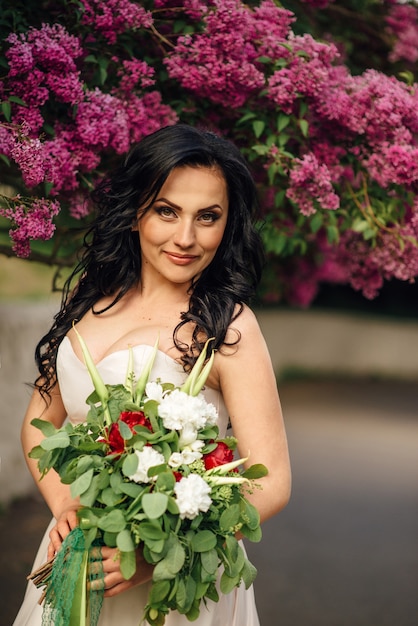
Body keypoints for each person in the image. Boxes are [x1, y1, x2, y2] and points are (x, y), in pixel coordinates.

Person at [14, 123, 291, 626]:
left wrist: (153, 556)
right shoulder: (89, 307)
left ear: (227, 226)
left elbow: (269, 482)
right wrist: (64, 502)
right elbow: (40, 420)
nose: (186, 238)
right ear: (136, 210)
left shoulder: (226, 326)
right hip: (78, 558)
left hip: (177, 583)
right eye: (167, 211)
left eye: (208, 217)